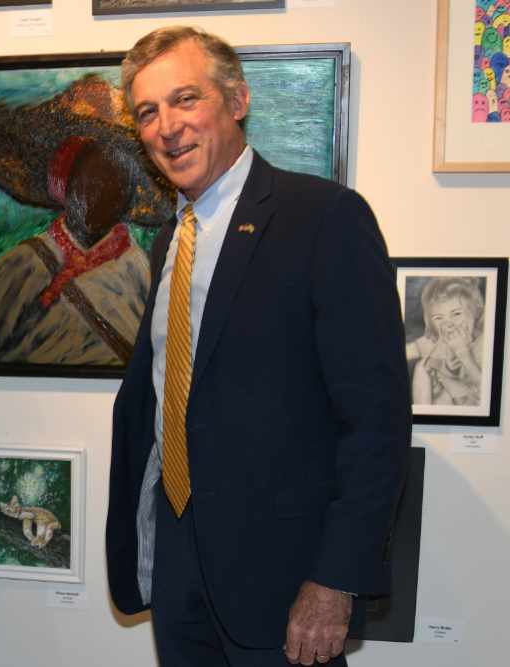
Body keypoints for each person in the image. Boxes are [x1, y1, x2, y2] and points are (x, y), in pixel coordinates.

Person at [105, 27, 412, 667]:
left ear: (237, 100)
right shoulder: (168, 241)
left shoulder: (324, 218)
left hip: (287, 582)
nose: (167, 126)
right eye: (148, 111)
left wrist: (335, 579)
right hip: (179, 565)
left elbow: (375, 421)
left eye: (185, 99)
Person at [0, 75, 175, 367]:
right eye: (92, 179)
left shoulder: (137, 270)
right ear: (64, 183)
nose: (104, 193)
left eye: (116, 182)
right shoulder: (22, 266)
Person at [409, 277, 485, 406]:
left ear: (475, 313)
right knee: (421, 369)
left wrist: (464, 355)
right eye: (439, 318)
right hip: (444, 407)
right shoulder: (437, 342)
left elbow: (486, 390)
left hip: (473, 406)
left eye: (456, 314)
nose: (448, 324)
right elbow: (404, 352)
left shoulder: (483, 343)